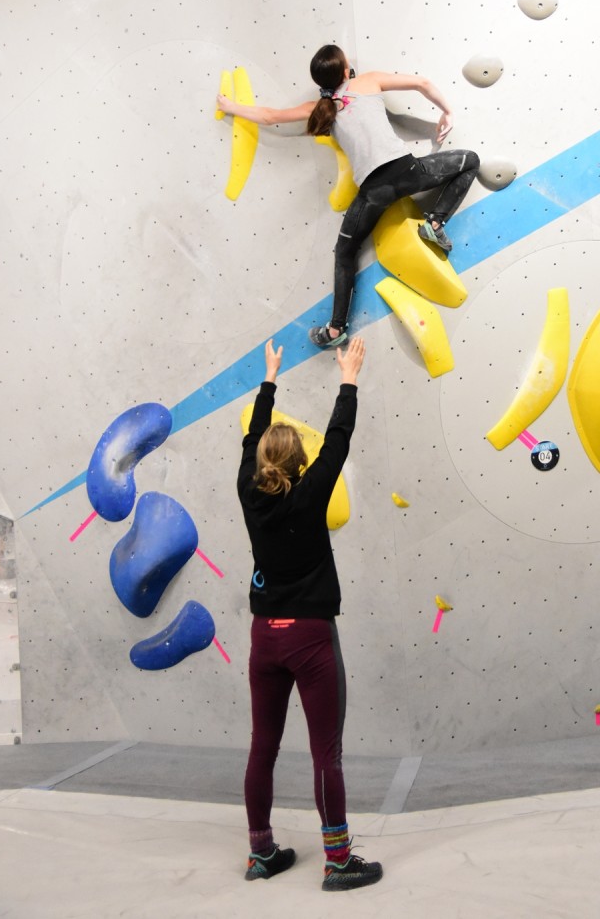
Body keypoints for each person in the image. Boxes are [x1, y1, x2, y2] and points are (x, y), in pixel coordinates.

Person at [237, 334, 382, 892]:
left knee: (262, 747)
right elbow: (339, 440)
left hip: (263, 639)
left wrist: (270, 378)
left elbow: (253, 435)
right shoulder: (311, 490)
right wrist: (348, 378)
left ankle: (261, 853)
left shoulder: (250, 493)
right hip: (310, 639)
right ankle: (339, 861)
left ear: (259, 465)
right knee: (327, 753)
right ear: (299, 462)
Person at [217, 45, 479, 348]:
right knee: (470, 160)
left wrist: (229, 106)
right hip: (409, 172)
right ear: (345, 71)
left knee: (344, 253)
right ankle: (434, 224)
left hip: (373, 191)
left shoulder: (319, 109)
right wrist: (447, 111)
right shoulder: (367, 81)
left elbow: (269, 116)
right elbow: (422, 83)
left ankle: (335, 330)